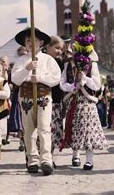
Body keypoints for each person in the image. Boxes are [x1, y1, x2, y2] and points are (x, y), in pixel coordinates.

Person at [11, 27, 61, 176]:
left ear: (41, 42)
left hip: (43, 96)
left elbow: (55, 78)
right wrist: (27, 69)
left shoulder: (48, 60)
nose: (31, 44)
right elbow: (15, 79)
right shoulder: (20, 61)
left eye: (34, 40)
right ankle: (32, 159)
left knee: (44, 127)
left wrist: (40, 78)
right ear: (25, 44)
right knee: (29, 129)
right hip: (26, 97)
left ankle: (46, 159)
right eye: (28, 41)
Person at [60, 50, 107, 171]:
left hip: (88, 102)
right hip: (74, 99)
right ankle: (75, 155)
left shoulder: (92, 64)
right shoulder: (69, 64)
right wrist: (73, 87)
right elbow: (62, 83)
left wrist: (85, 79)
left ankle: (89, 160)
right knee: (74, 127)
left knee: (88, 130)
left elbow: (97, 85)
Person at [44, 35, 66, 168]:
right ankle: (42, 157)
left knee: (53, 132)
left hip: (56, 101)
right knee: (44, 130)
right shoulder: (43, 61)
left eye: (61, 49)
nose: (59, 51)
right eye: (56, 48)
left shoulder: (61, 63)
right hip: (45, 100)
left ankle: (50, 157)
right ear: (48, 47)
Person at [7, 46, 28, 151]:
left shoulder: (31, 65)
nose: (22, 56)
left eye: (24, 54)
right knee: (19, 118)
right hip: (17, 93)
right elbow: (12, 80)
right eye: (20, 54)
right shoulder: (16, 66)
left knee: (27, 118)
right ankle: (21, 140)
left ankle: (27, 140)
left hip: (28, 94)